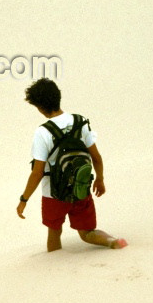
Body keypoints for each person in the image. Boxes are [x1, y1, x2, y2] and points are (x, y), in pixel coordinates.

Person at [16, 78, 127, 252]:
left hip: (54, 194)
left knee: (54, 232)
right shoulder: (80, 121)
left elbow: (37, 173)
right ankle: (113, 241)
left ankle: (55, 267)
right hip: (80, 188)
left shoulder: (42, 132)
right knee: (87, 233)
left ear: (40, 107)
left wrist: (24, 199)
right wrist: (99, 179)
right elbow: (96, 157)